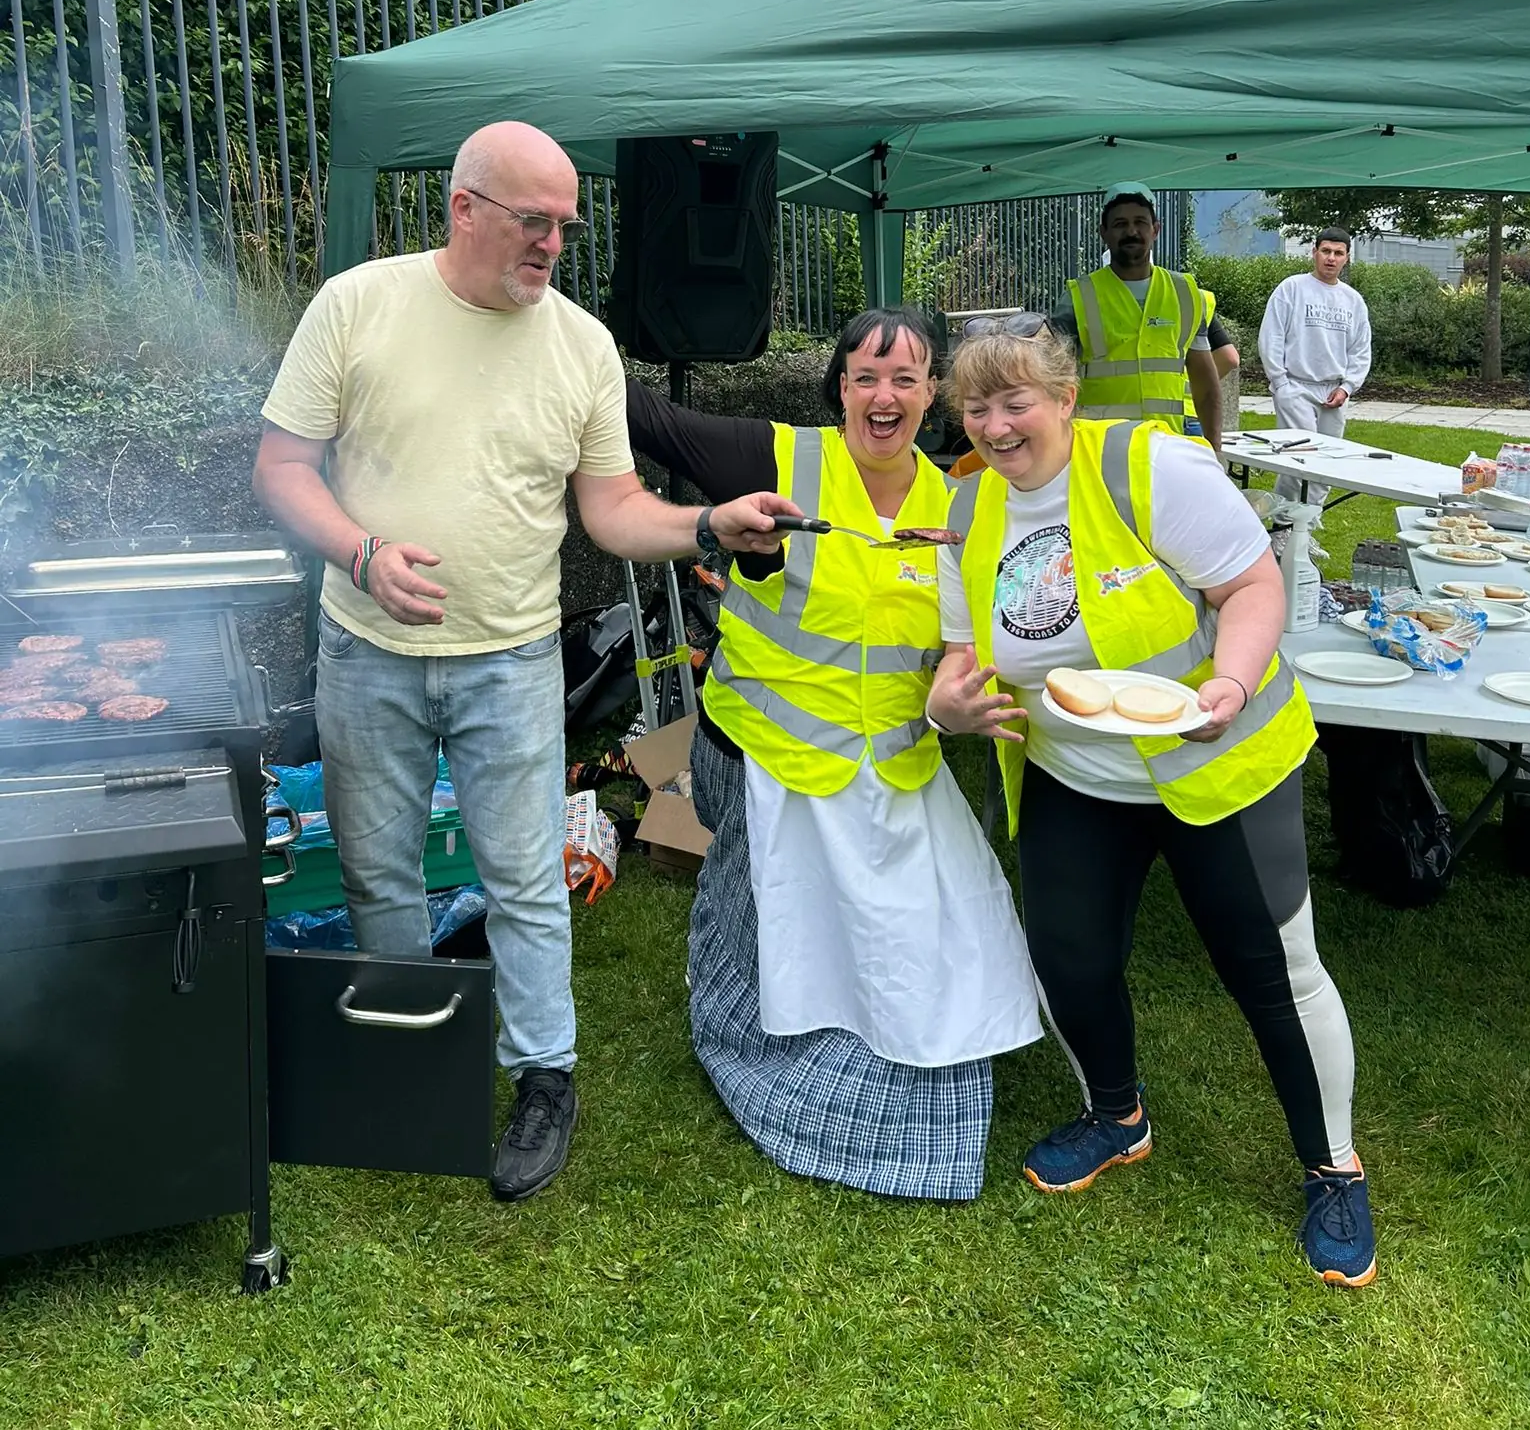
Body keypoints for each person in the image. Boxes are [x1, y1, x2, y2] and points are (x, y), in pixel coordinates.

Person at [253, 121, 795, 1204]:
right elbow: (281, 467)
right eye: (532, 220)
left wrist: (704, 525)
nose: (554, 242)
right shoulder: (357, 306)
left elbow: (611, 507)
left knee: (521, 878)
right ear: (463, 209)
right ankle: (408, 1056)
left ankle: (545, 1075)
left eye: (565, 225)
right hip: (369, 653)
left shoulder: (582, 344)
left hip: (510, 659)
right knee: (377, 870)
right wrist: (360, 549)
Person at [926, 317, 1376, 1286]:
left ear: (1065, 397)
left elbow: (1253, 586)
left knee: (1276, 972)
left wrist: (1232, 682)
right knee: (1069, 955)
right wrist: (946, 699)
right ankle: (1116, 1114)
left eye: (1017, 400)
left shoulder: (1148, 468)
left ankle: (1332, 1165)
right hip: (1077, 773)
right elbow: (963, 649)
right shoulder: (965, 509)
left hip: (1215, 758)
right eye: (977, 405)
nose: (997, 425)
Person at [626, 307, 1041, 1202]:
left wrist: (957, 704)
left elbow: (978, 637)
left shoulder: (965, 504)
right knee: (773, 930)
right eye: (865, 377)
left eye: (907, 378)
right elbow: (640, 416)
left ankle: (902, 1083)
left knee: (924, 936)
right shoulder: (774, 461)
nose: (884, 396)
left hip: (896, 765)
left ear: (935, 395)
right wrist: (545, 332)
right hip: (766, 759)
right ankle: (765, 1045)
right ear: (840, 389)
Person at [1049, 182, 1223, 452]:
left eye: (1140, 222)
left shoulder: (1184, 293)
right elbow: (1051, 380)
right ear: (1103, 233)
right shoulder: (1078, 297)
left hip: (1166, 446)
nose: (1131, 231)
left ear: (1156, 229)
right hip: (1099, 448)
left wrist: (1214, 450)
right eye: (1120, 224)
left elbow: (1205, 385)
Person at [1258, 230, 1373, 502]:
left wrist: (1347, 388)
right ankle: (1284, 528)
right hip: (1295, 387)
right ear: (1314, 252)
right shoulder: (1292, 288)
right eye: (1326, 251)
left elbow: (1360, 349)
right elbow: (1271, 336)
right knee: (1297, 461)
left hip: (1333, 392)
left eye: (1338, 253)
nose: (1331, 259)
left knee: (1326, 464)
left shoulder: (1352, 300)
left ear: (1346, 258)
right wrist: (1281, 383)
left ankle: (1307, 530)